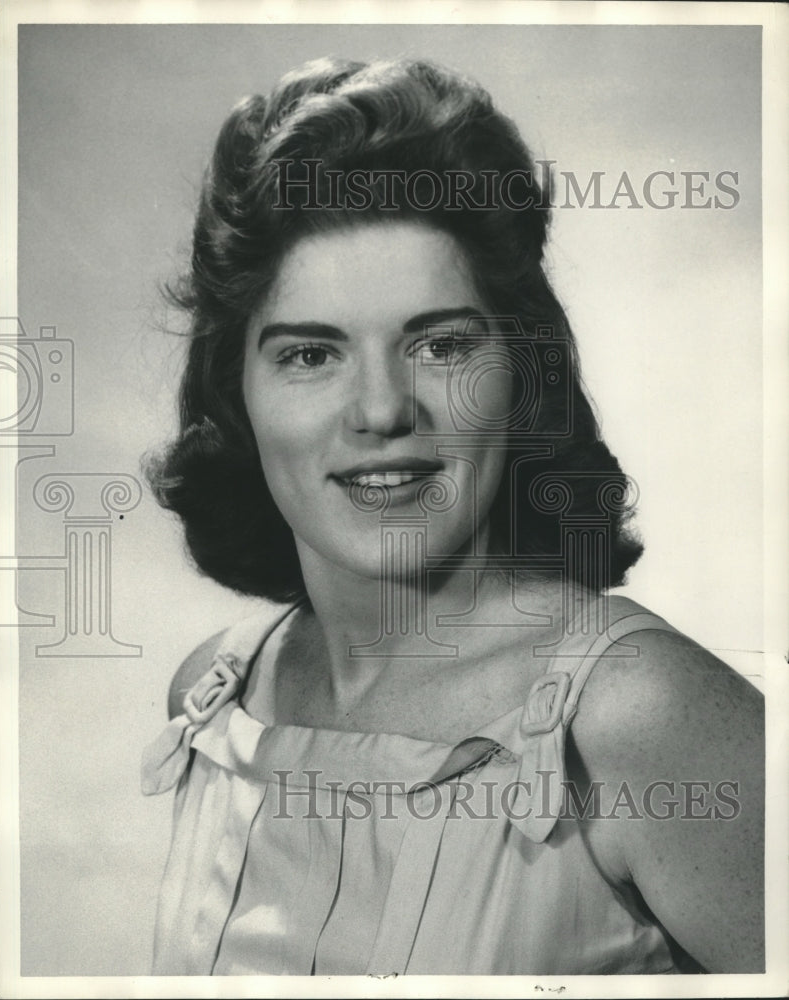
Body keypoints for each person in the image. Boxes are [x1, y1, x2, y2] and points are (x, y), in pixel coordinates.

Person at [141, 57, 764, 976]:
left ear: (523, 371)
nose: (382, 411)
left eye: (440, 344)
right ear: (235, 394)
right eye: (311, 354)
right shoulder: (218, 693)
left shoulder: (641, 718)